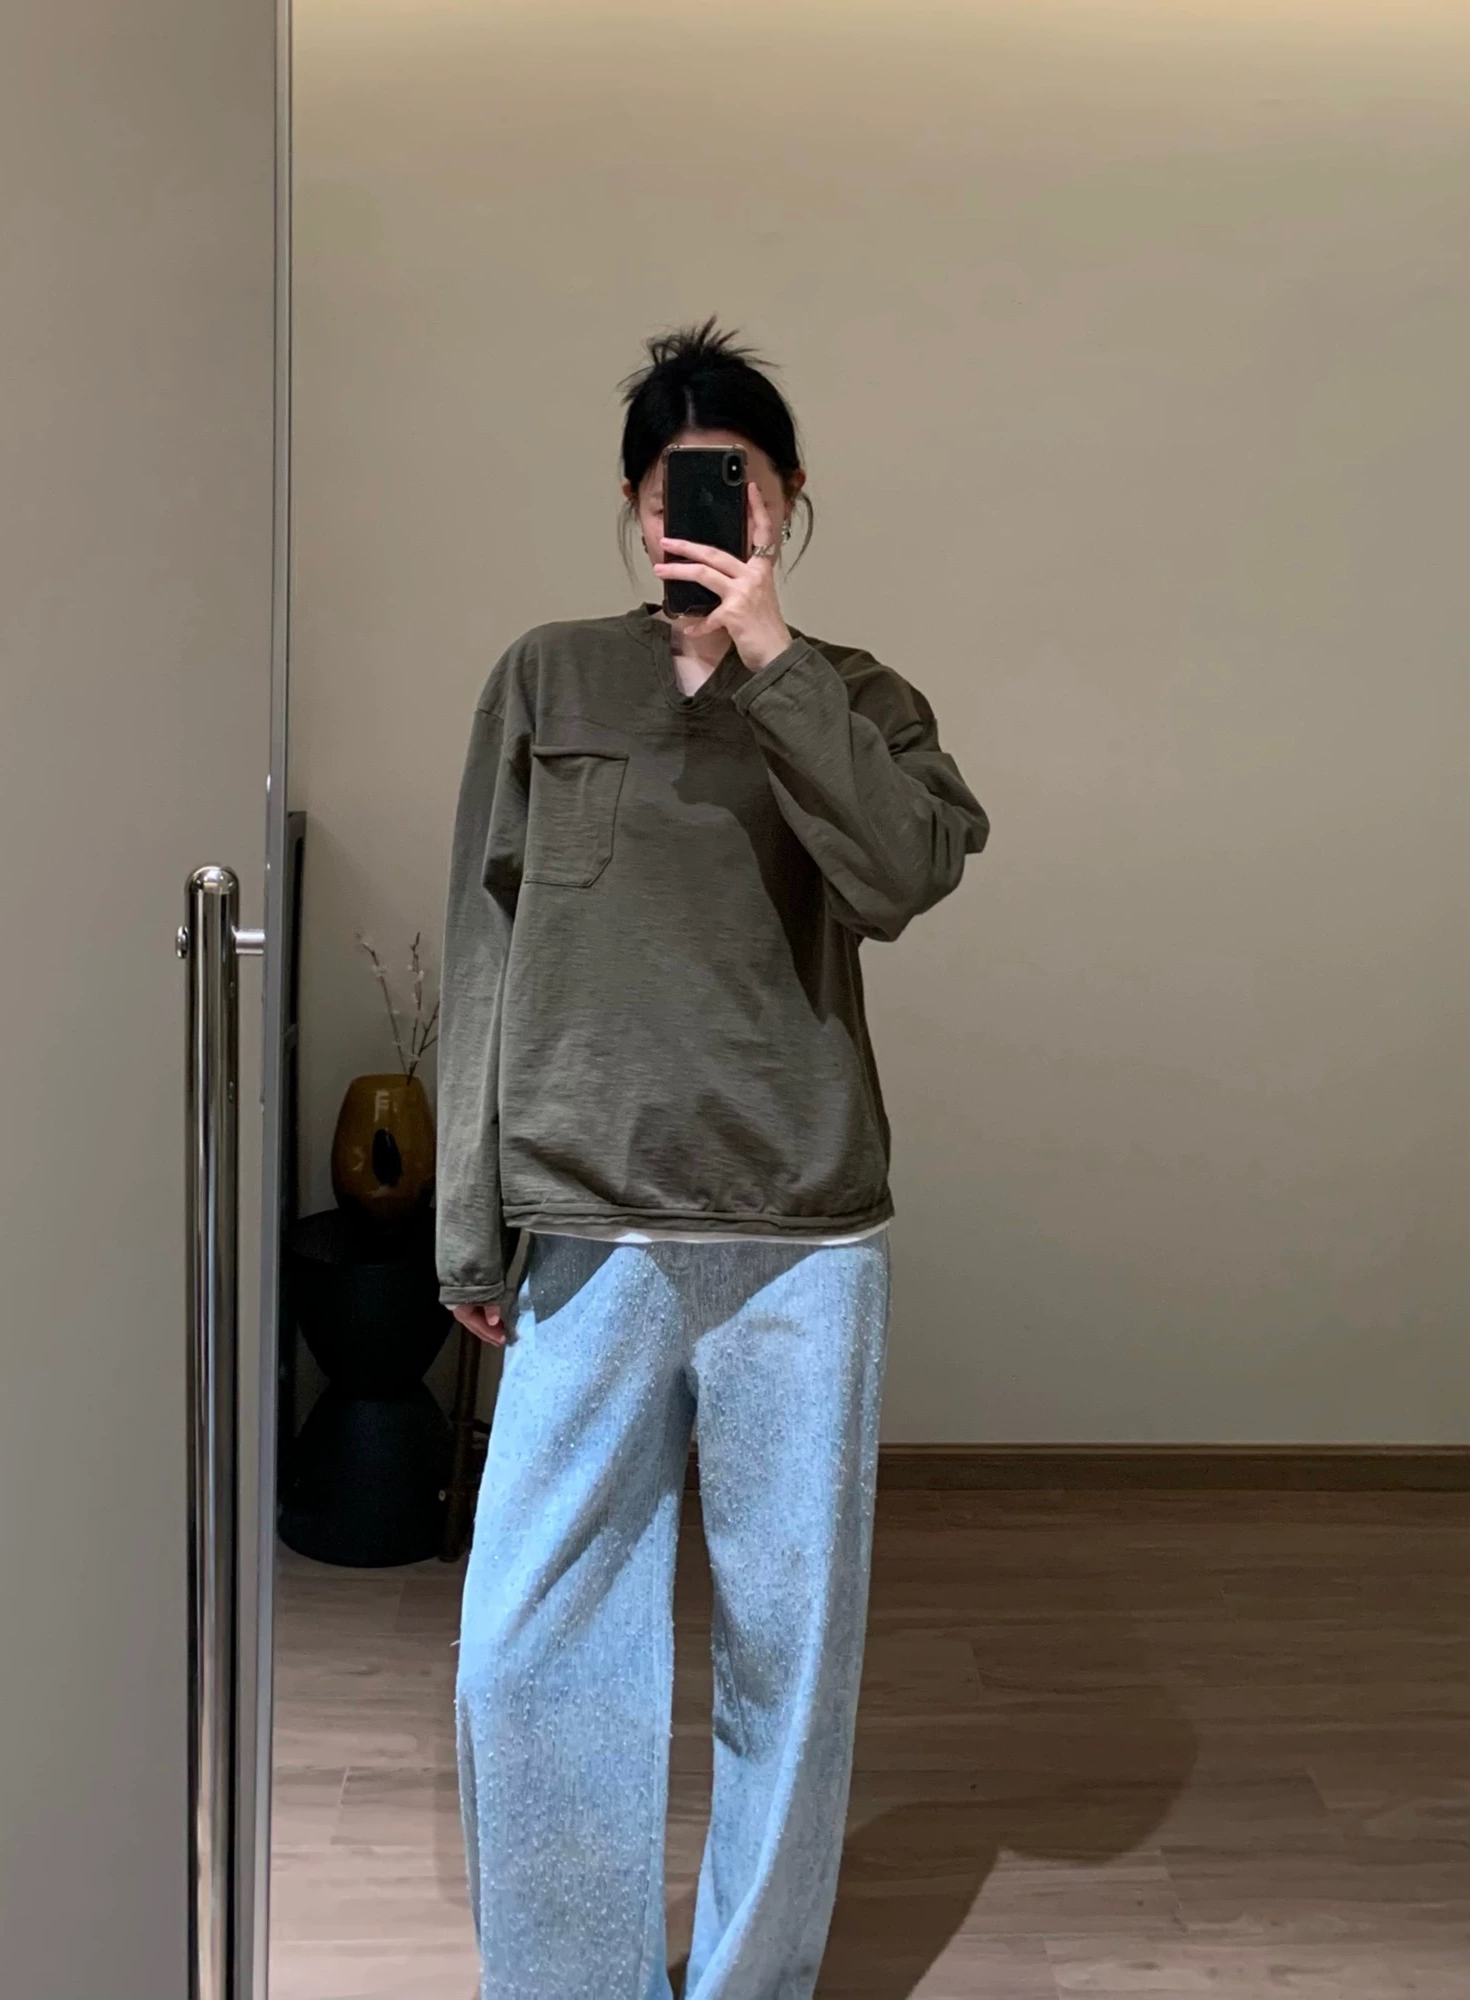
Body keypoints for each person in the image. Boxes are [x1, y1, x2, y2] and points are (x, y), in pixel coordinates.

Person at [436, 318, 990, 2000]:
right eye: (680, 484)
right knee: (529, 1649)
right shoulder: (549, 677)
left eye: (739, 482)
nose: (709, 511)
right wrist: (468, 1220)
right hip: (588, 1222)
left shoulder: (858, 696)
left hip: (800, 1236)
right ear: (633, 502)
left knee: (787, 1657)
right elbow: (482, 942)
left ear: (788, 495)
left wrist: (771, 657)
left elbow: (902, 875)